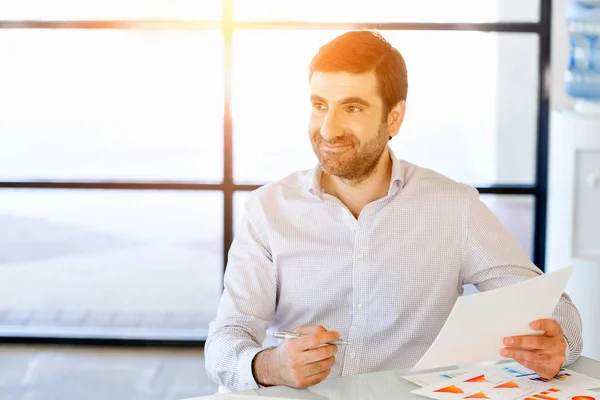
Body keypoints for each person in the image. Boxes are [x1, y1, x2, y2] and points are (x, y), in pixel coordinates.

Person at [205, 29, 583, 392]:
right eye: (320, 106)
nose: (329, 129)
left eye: (352, 107)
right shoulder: (269, 210)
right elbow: (226, 340)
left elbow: (550, 306)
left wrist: (558, 342)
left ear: (394, 118)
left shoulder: (454, 207)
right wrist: (271, 366)